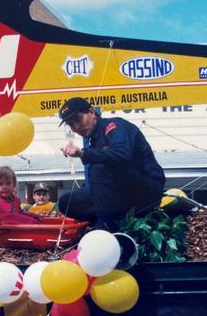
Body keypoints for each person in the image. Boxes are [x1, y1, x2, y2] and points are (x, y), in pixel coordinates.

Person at [58, 97, 165, 231]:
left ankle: (107, 226)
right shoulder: (93, 138)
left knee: (99, 167)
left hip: (147, 191)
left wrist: (83, 154)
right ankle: (113, 219)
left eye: (78, 120)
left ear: (91, 112)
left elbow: (122, 155)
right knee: (66, 202)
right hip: (120, 194)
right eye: (71, 124)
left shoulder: (114, 126)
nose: (77, 127)